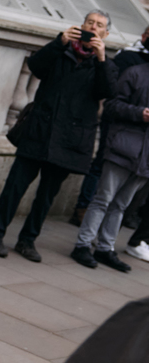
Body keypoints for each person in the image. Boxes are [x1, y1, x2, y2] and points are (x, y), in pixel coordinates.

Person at [0, 10, 117, 263]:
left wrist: (101, 58)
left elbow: (108, 91)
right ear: (81, 25)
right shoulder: (62, 49)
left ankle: (27, 241)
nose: (93, 28)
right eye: (90, 22)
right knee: (14, 188)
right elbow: (35, 67)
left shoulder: (104, 64)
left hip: (69, 140)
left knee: (46, 197)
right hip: (39, 131)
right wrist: (59, 42)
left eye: (99, 25)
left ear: (105, 34)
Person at [70, 61, 149, 272]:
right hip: (123, 149)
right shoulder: (135, 73)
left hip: (145, 159)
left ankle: (105, 248)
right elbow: (112, 105)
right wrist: (140, 113)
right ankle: (82, 245)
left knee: (121, 205)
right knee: (102, 199)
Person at [69, 23, 149, 226]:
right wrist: (139, 113)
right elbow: (112, 94)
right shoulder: (129, 58)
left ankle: (105, 225)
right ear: (144, 35)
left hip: (139, 137)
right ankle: (83, 209)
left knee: (120, 197)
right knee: (100, 168)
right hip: (117, 125)